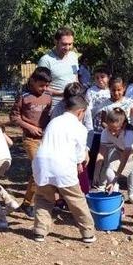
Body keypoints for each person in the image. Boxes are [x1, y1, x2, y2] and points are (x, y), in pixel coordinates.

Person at [31, 95, 96, 243]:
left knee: (43, 198)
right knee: (76, 199)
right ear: (80, 112)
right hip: (63, 165)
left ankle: (40, 230)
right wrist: (80, 163)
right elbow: (80, 152)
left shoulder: (54, 121)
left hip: (42, 162)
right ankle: (88, 232)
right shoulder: (80, 128)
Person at [9, 67, 53, 217]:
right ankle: (28, 204)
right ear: (33, 81)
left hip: (45, 139)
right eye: (41, 85)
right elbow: (14, 117)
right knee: (38, 168)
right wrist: (30, 127)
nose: (44, 88)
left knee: (43, 169)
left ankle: (31, 201)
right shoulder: (24, 97)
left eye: (47, 85)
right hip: (30, 139)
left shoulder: (48, 96)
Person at [95, 108, 133, 220]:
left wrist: (116, 179)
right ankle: (118, 205)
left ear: (123, 125)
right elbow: (101, 154)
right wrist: (96, 173)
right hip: (121, 150)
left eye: (115, 129)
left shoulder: (129, 133)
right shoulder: (106, 133)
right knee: (109, 172)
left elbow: (125, 158)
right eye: (110, 129)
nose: (112, 132)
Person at [37, 27, 80, 106]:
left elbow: (75, 77)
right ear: (56, 42)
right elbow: (40, 86)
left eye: (70, 44)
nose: (67, 48)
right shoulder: (45, 60)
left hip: (73, 104)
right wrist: (61, 94)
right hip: (55, 105)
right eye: (64, 44)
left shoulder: (74, 56)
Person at [84, 65, 112, 181]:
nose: (100, 80)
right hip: (94, 129)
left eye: (102, 77)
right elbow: (88, 109)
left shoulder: (112, 91)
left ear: (109, 77)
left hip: (108, 129)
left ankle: (105, 178)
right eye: (97, 78)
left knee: (107, 154)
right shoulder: (91, 91)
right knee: (93, 153)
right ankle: (91, 178)